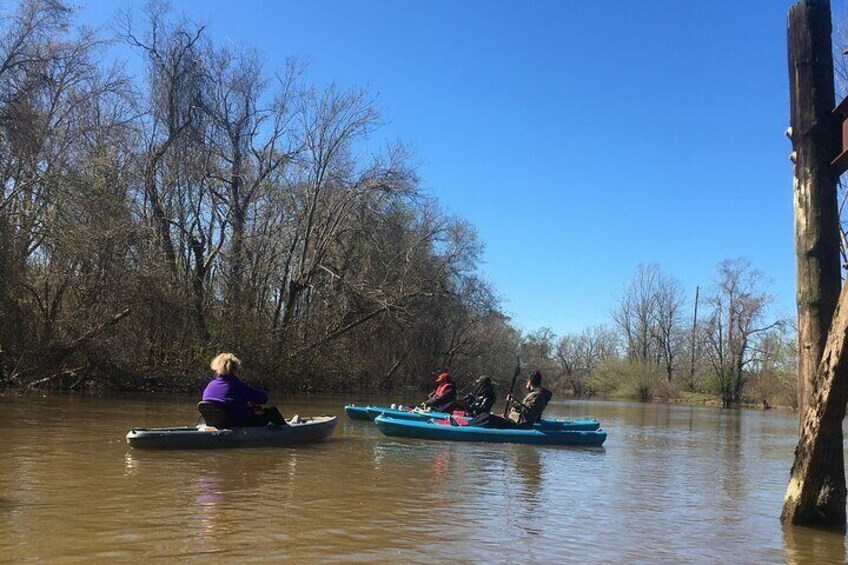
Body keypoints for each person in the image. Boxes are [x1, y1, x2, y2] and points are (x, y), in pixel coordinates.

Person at [201, 353, 286, 427]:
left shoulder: (210, 385)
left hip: (216, 423)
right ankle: (287, 432)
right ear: (234, 371)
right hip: (234, 423)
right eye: (238, 370)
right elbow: (263, 398)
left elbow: (226, 402)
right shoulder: (237, 385)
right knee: (272, 412)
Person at [471, 369, 552, 429]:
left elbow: (527, 412)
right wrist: (510, 414)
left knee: (487, 417)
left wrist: (512, 400)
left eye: (527, 381)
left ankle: (468, 425)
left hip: (519, 424)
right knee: (485, 415)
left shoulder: (536, 395)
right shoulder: (534, 394)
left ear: (530, 382)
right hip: (516, 421)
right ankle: (469, 423)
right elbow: (524, 410)